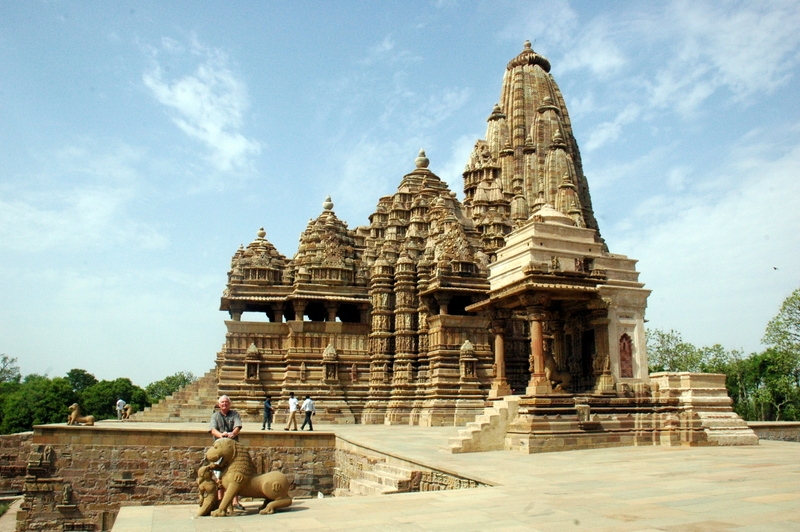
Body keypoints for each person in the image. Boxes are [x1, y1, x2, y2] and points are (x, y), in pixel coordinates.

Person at [209, 395, 245, 512]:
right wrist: (222, 436)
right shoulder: (215, 416)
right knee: (219, 477)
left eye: (226, 402)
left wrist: (232, 434)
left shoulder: (235, 415)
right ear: (219, 405)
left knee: (234, 476)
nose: (224, 404)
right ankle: (221, 501)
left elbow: (237, 427)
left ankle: (235, 502)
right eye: (222, 402)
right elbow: (213, 430)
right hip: (220, 451)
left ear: (230, 404)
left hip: (233, 452)